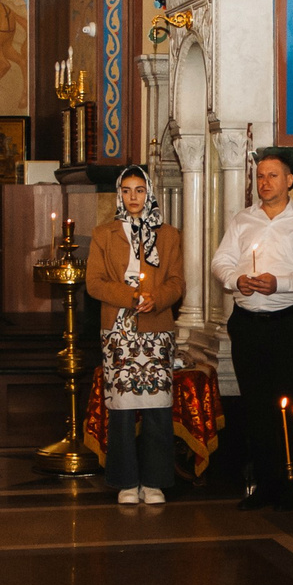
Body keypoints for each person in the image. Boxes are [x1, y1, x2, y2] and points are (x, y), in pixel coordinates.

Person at [211, 150, 293, 510]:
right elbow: (221, 261)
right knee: (256, 405)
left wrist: (279, 283)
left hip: (285, 325)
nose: (265, 183)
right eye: (260, 176)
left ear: (289, 180)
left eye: (273, 176)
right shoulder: (242, 220)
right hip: (247, 325)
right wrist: (237, 280)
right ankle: (264, 484)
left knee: (289, 403)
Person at [89, 165, 185, 505]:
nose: (133, 197)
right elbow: (94, 283)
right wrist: (132, 298)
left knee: (158, 407)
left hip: (157, 329)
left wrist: (155, 299)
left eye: (139, 190)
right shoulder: (104, 234)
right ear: (119, 193)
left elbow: (177, 282)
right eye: (127, 190)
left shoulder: (169, 235)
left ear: (150, 193)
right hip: (118, 329)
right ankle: (126, 481)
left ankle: (155, 481)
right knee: (123, 408)